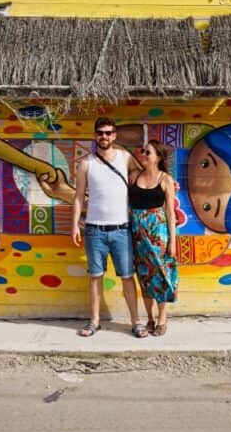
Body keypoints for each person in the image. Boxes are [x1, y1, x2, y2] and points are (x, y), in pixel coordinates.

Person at [72, 117, 146, 338]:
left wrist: (167, 183)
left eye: (108, 133)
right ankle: (94, 321)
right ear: (95, 135)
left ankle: (136, 322)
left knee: (127, 276)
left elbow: (144, 177)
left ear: (114, 135)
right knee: (95, 276)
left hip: (121, 229)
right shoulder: (86, 163)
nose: (104, 137)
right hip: (94, 229)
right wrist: (75, 225)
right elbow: (78, 198)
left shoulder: (125, 158)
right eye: (100, 133)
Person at [129, 140, 179, 337]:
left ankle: (162, 318)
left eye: (148, 152)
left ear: (158, 157)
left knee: (160, 276)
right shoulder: (135, 176)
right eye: (143, 151)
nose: (143, 155)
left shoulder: (165, 179)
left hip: (159, 235)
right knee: (144, 277)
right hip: (138, 236)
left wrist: (172, 242)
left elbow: (170, 213)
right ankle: (149, 317)